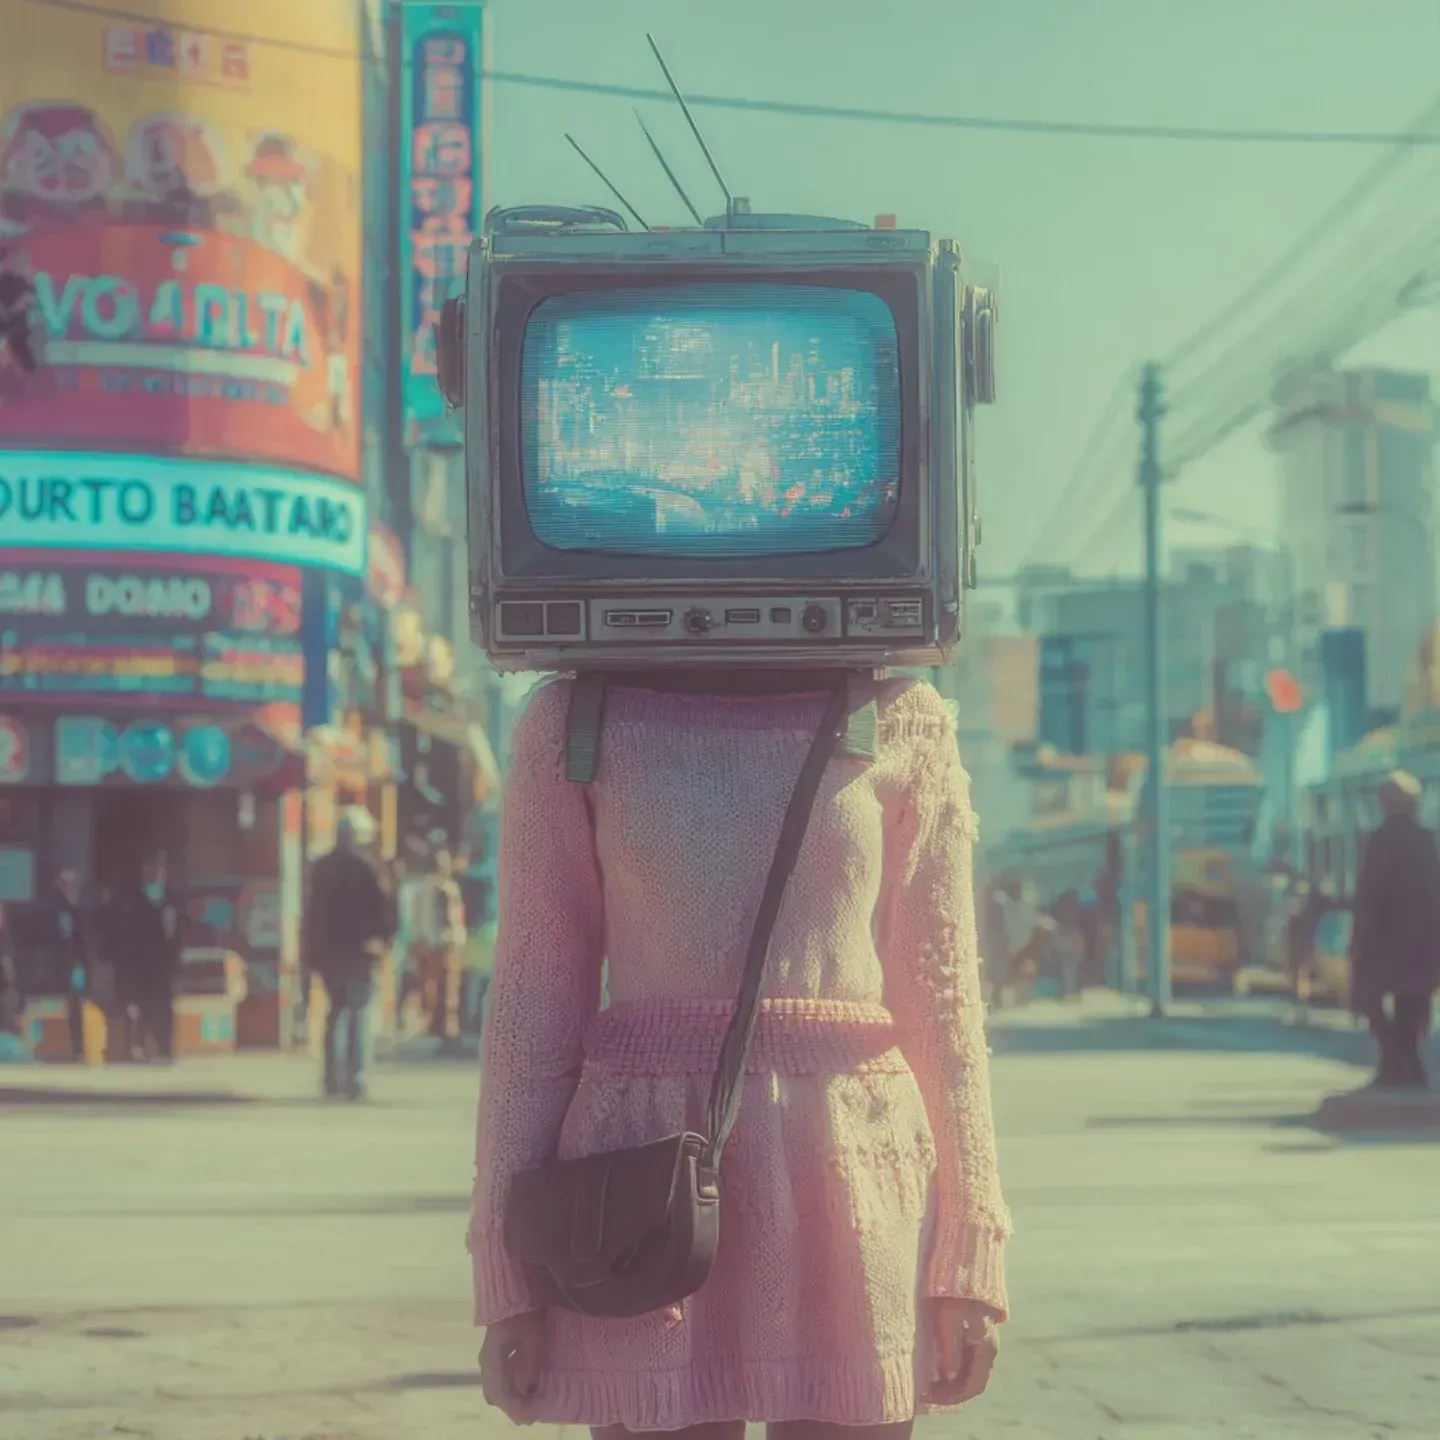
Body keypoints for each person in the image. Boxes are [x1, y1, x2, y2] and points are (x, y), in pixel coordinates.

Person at [472, 676, 1011, 1436]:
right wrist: (509, 1273)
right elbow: (535, 1001)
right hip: (642, 1190)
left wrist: (969, 1252)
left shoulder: (900, 710)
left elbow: (944, 998)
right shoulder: (575, 716)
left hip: (846, 1173)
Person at [1349, 771, 1440, 1090]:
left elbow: (1368, 897)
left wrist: (1357, 943)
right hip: (1423, 944)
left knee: (1367, 998)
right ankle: (1405, 1066)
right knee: (1411, 1007)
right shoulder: (1426, 840)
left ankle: (1397, 1063)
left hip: (1384, 944)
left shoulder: (1381, 840)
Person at [305, 807, 394, 1100]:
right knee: (357, 1012)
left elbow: (311, 913)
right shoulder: (370, 868)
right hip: (360, 950)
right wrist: (384, 941)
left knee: (336, 1011)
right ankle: (355, 1081)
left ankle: (330, 1079)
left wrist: (310, 953)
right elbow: (386, 910)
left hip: (328, 953)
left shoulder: (321, 867)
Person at [111, 857, 181, 1062]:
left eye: (158, 870)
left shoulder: (171, 900)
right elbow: (127, 933)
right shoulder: (133, 901)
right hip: (140, 964)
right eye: (150, 870)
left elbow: (177, 934)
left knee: (163, 1008)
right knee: (139, 1007)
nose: (155, 875)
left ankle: (164, 1048)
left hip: (164, 965)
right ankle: (139, 1047)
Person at [45, 870, 89, 1062]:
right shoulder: (56, 908)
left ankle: (77, 1048)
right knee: (67, 1005)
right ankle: (67, 1047)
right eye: (66, 884)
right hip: (61, 963)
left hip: (75, 964)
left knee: (76, 1005)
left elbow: (82, 939)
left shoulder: (78, 908)